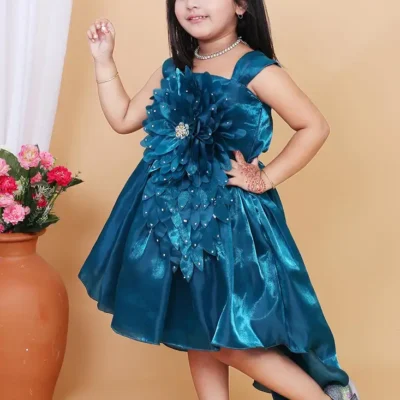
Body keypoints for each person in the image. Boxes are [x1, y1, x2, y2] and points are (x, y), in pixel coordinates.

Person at [79, 1, 360, 399]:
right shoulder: (175, 68)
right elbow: (124, 118)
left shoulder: (254, 68)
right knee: (195, 326)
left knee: (225, 334)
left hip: (229, 225)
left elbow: (314, 125)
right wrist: (104, 61)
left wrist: (265, 177)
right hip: (170, 219)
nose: (193, 4)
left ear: (241, 5)